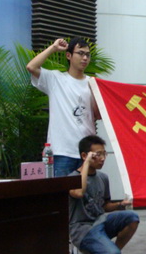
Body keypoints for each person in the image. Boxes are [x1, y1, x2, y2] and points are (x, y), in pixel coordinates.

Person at [27, 38, 99, 177]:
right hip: (62, 152)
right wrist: (53, 48)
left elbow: (97, 115)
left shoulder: (92, 83)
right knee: (62, 191)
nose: (85, 58)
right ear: (69, 55)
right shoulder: (56, 79)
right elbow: (31, 67)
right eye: (80, 53)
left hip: (87, 152)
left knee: (86, 190)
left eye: (87, 55)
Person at [69, 135, 138, 254]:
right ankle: (82, 249)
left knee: (132, 217)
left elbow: (104, 206)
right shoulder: (71, 178)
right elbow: (79, 193)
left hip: (100, 221)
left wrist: (120, 204)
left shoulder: (103, 177)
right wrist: (86, 163)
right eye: (97, 154)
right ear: (85, 155)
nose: (102, 158)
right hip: (82, 229)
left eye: (104, 154)